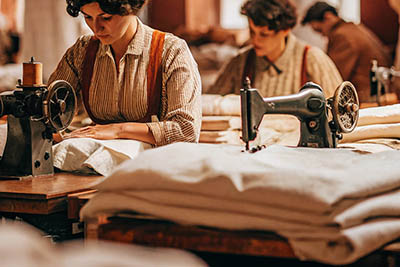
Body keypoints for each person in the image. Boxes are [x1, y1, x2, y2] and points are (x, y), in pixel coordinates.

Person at [49, 0, 202, 147]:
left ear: (131, 9)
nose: (96, 28)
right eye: (88, 17)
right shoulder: (82, 51)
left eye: (106, 18)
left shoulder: (171, 51)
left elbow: (186, 130)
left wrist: (118, 130)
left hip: (154, 163)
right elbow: (48, 110)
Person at [208, 0, 342, 98]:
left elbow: (337, 113)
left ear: (285, 30)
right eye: (252, 32)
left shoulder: (312, 59)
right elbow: (211, 103)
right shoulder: (241, 62)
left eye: (264, 34)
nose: (255, 40)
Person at [302, 1, 393, 103]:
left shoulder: (342, 36)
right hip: (380, 91)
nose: (322, 35)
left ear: (328, 17)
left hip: (367, 98)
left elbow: (333, 76)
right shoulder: (352, 28)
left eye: (319, 30)